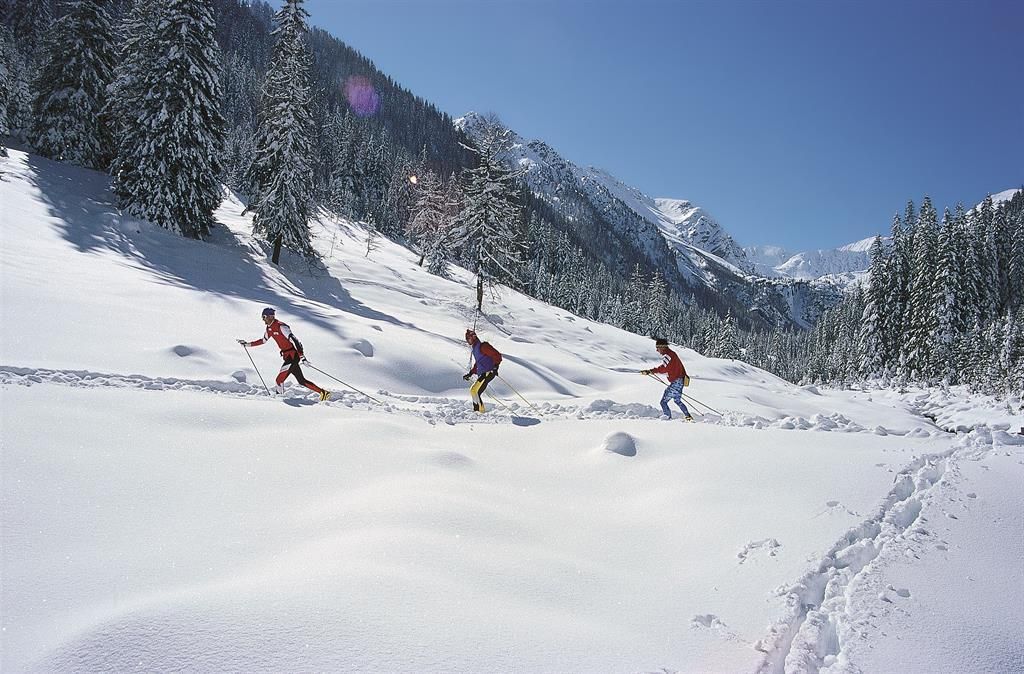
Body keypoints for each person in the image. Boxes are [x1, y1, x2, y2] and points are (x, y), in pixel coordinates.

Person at [238, 307, 330, 401]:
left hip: (292, 357)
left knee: (279, 380)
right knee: (301, 381)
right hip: (287, 357)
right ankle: (324, 393)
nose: (263, 319)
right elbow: (263, 340)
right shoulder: (269, 328)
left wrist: (302, 357)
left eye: (264, 317)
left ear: (270, 316)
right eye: (262, 317)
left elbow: (295, 341)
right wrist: (247, 344)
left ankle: (279, 401)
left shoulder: (281, 326)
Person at [641, 337, 693, 421]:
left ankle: (667, 418)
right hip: (680, 381)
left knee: (663, 402)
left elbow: (663, 368)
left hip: (676, 381)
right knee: (677, 401)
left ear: (662, 347)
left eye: (657, 348)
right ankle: (688, 416)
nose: (657, 350)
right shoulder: (672, 354)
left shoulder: (667, 355)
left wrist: (650, 371)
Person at [462, 328, 502, 413]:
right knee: (474, 391)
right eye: (466, 339)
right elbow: (478, 363)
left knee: (474, 390)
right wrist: (471, 373)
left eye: (468, 338)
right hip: (483, 373)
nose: (467, 341)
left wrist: (495, 367)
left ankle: (479, 412)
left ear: (473, 337)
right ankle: (479, 411)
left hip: (488, 372)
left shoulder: (483, 346)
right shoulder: (475, 349)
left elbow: (497, 355)